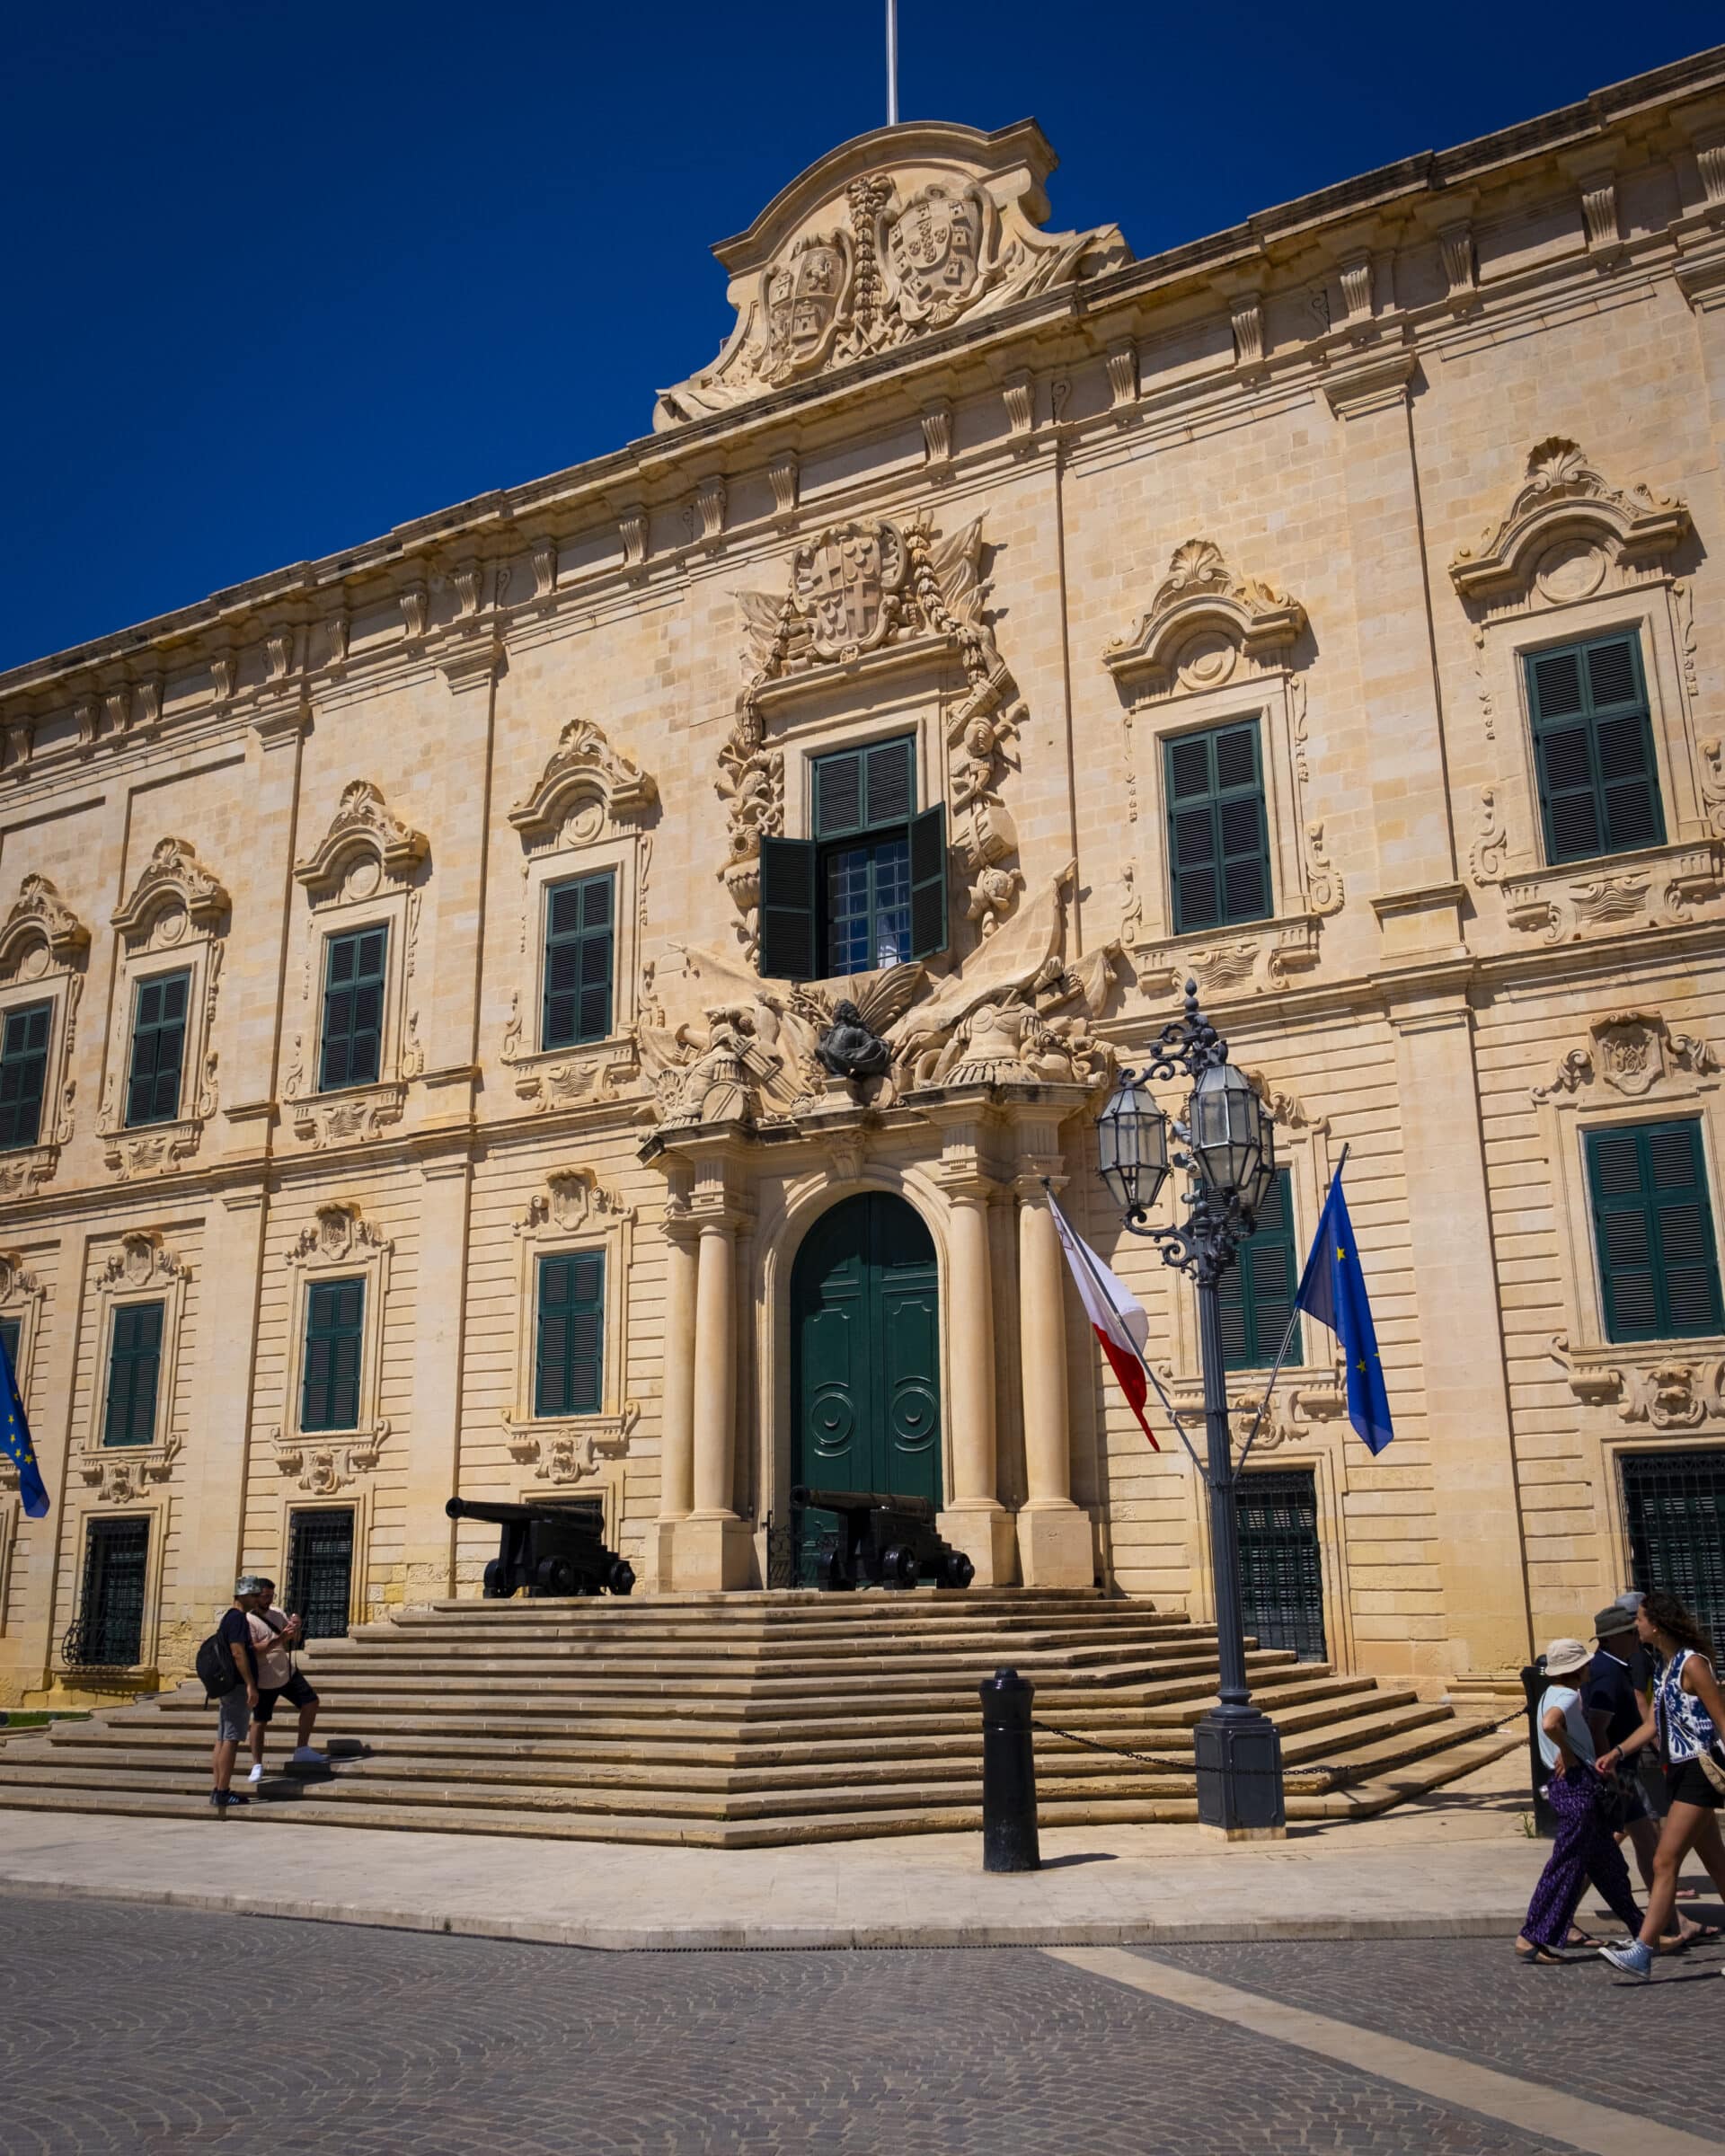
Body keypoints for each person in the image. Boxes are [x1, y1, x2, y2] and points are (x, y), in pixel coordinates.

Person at [1597, 1589, 1725, 1978]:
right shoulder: (1665, 1666)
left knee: (1663, 1859)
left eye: (1639, 1619)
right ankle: (1644, 1947)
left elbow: (1722, 1718)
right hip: (1680, 1772)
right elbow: (1653, 1724)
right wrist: (1618, 1751)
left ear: (1657, 1623)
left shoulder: (1693, 1664)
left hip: (1700, 1771)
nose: (1635, 1625)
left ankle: (1643, 1949)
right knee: (1718, 1866)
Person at [1515, 1636, 1645, 1965]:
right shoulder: (1569, 1696)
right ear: (1577, 1669)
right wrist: (1568, 1752)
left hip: (1580, 1786)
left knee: (1609, 1865)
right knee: (1566, 1864)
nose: (1590, 1667)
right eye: (1585, 1664)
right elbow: (1550, 1725)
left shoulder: (1551, 1693)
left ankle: (1645, 1931)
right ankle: (1532, 1935)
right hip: (1576, 1788)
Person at [244, 1578, 325, 1783]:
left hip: (286, 1671)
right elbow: (253, 1650)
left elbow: (294, 1640)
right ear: (255, 1596)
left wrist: (295, 1628)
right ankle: (257, 1764)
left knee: (311, 1702)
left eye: (272, 1595)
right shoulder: (248, 1620)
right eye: (265, 1596)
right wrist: (280, 1639)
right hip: (263, 1678)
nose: (269, 1600)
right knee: (259, 1722)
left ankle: (302, 1748)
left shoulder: (277, 1613)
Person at [210, 1577, 263, 1813]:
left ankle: (218, 1788)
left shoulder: (228, 1618)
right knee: (231, 1738)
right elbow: (238, 1653)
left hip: (227, 1686)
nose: (256, 1599)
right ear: (241, 1596)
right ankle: (222, 1792)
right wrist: (251, 1684)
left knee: (222, 1737)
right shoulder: (238, 1619)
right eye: (253, 1595)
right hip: (238, 1685)